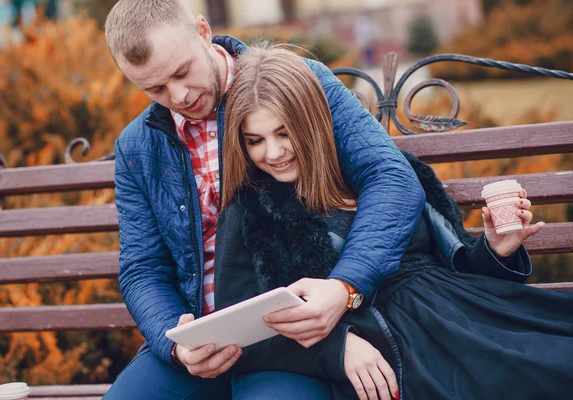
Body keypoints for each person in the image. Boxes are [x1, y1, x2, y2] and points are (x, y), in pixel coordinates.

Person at [102, 0, 424, 398]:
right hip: (201, 344)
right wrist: (175, 344)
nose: (179, 95)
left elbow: (391, 178)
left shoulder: (294, 84)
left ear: (203, 33)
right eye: (155, 88)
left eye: (182, 72)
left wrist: (345, 286)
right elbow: (142, 267)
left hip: (295, 337)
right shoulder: (137, 146)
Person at [214, 44, 573, 400]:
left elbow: (457, 268)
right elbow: (243, 329)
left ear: (311, 124)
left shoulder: (383, 172)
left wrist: (496, 250)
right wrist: (337, 348)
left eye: (283, 133)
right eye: (254, 141)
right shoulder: (252, 210)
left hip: (466, 317)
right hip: (399, 345)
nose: (272, 154)